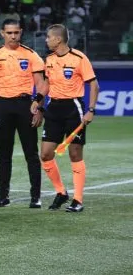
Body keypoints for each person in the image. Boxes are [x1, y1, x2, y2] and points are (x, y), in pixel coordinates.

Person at [35, 24, 98, 212]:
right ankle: (61, 193)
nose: (46, 40)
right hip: (53, 108)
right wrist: (37, 100)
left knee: (75, 153)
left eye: (48, 37)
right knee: (45, 154)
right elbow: (46, 83)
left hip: (74, 108)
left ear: (58, 39)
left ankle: (78, 200)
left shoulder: (79, 58)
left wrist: (91, 110)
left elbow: (94, 86)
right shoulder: (49, 59)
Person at [0, 19, 45, 208]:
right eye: (9, 33)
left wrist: (39, 108)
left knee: (31, 154)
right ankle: (3, 196)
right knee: (4, 154)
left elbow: (41, 84)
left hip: (25, 105)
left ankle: (35, 196)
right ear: (2, 33)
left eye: (16, 32)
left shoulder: (31, 55)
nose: (13, 36)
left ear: (21, 33)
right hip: (2, 106)